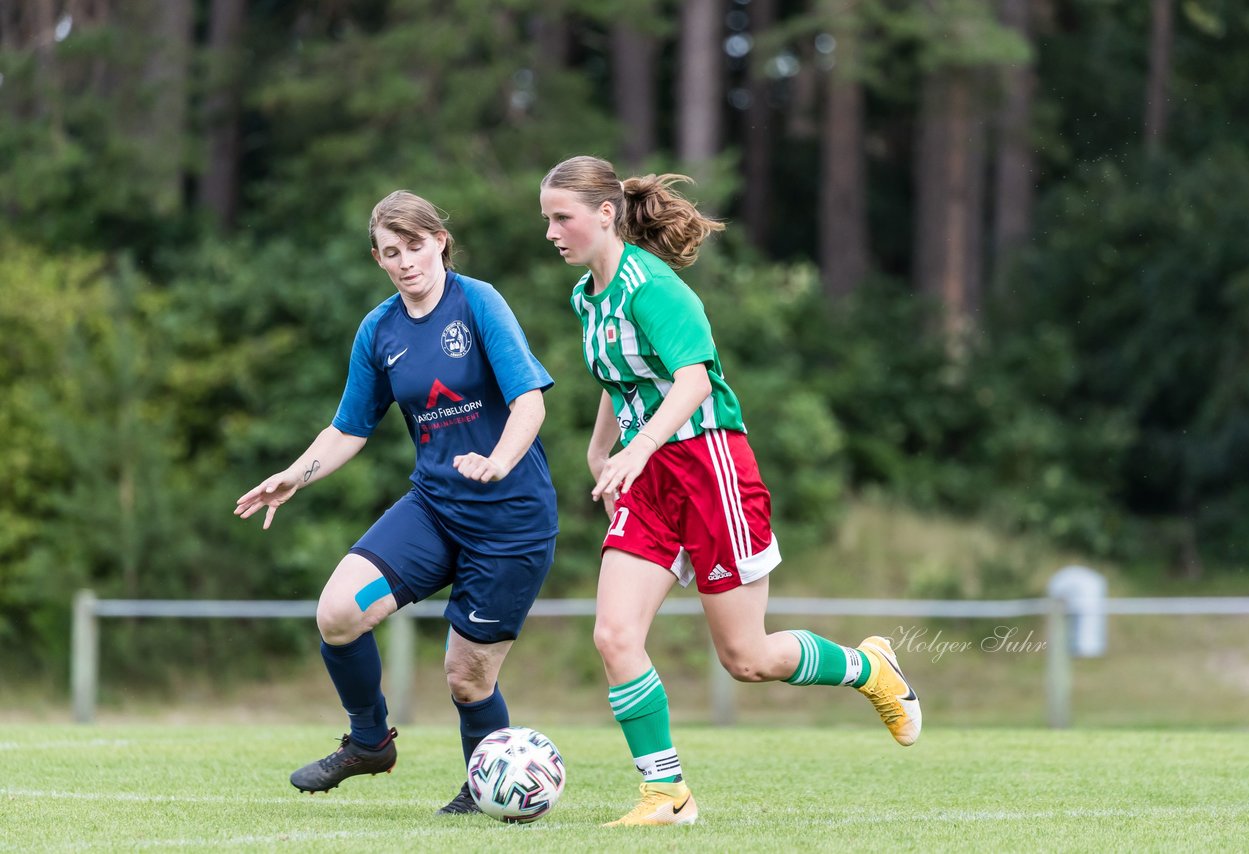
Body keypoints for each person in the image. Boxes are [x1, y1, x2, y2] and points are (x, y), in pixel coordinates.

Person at [538, 156, 921, 827]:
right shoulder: (585, 297)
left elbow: (691, 384)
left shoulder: (654, 287)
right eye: (547, 218)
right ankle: (667, 795)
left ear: (605, 215)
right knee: (614, 634)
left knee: (747, 658)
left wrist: (637, 447)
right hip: (650, 477)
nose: (551, 232)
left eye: (560, 217)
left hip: (711, 468)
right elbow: (620, 378)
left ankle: (869, 667)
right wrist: (604, 450)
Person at [235, 190, 558, 815]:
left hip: (510, 520)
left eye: (414, 246)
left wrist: (499, 461)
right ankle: (369, 741)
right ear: (378, 259)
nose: (405, 261)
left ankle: (485, 790)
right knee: (337, 612)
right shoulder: (379, 329)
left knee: (467, 678)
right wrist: (295, 475)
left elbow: (530, 402)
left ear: (440, 240)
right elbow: (350, 428)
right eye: (390, 252)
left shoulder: (479, 302)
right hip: (434, 510)